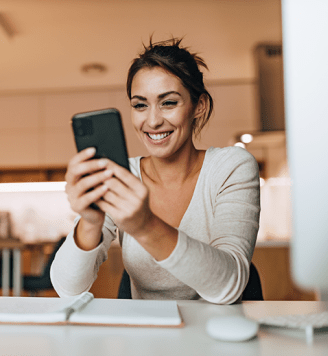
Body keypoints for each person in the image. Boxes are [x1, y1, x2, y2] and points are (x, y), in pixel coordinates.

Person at [50, 37, 260, 304]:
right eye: (140, 105)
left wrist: (145, 225)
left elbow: (229, 287)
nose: (152, 121)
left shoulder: (231, 166)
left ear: (199, 106)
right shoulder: (121, 175)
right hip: (148, 337)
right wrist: (91, 222)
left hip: (217, 334)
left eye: (169, 102)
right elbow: (68, 290)